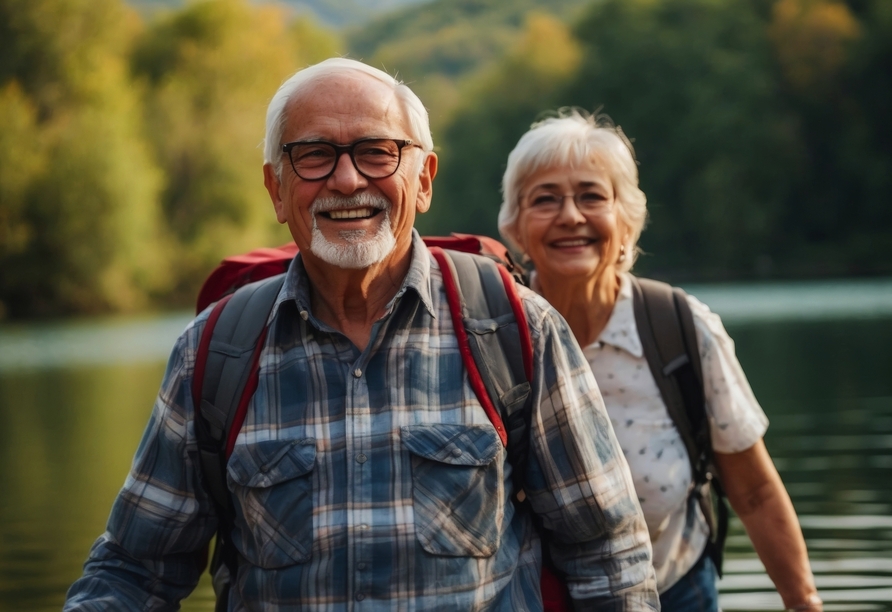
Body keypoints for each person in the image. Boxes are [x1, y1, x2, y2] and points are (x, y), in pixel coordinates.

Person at [64, 60, 659, 611]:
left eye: (378, 153)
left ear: (423, 179)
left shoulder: (516, 330)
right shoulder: (214, 352)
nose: (347, 181)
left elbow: (608, 558)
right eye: (314, 155)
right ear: (276, 189)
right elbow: (135, 570)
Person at [497, 108, 822, 612]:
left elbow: (755, 492)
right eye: (545, 199)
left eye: (591, 195)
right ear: (516, 228)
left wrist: (803, 601)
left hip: (677, 591)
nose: (570, 215)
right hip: (544, 600)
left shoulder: (678, 327)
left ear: (626, 221)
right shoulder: (494, 334)